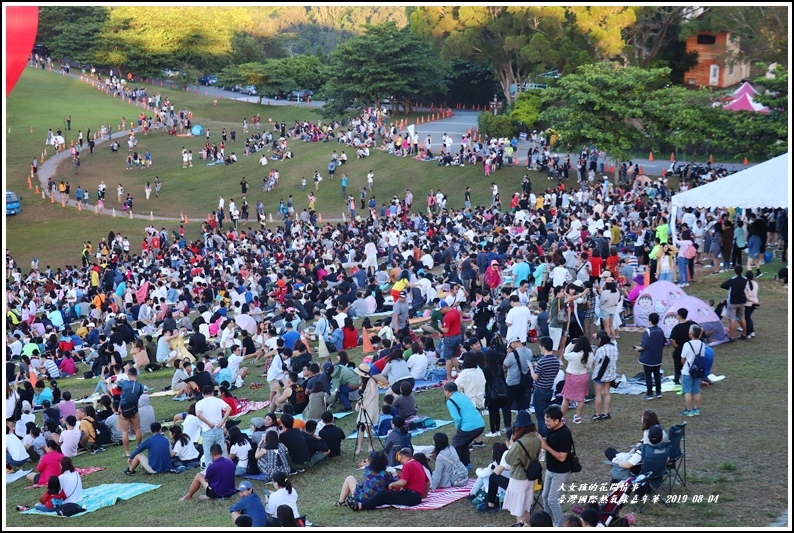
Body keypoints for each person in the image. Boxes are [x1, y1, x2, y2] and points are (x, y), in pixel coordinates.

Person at [496, 411, 542, 526]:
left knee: (519, 509)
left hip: (519, 477)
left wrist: (511, 447)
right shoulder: (536, 439)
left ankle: (521, 526)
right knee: (526, 506)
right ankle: (528, 525)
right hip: (530, 476)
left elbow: (509, 460)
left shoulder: (519, 444)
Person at [358, 448, 430, 510]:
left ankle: (362, 506)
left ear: (401, 457)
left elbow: (402, 482)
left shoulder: (407, 466)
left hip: (411, 496)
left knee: (382, 494)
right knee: (387, 497)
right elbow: (427, 483)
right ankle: (370, 504)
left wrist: (392, 484)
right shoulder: (418, 464)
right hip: (417, 498)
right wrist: (423, 496)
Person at [540, 405, 573, 528]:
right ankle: (546, 523)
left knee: (553, 500)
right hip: (550, 469)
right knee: (545, 496)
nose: (545, 423)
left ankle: (559, 526)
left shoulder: (565, 434)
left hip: (561, 472)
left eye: (548, 421)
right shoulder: (552, 429)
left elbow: (562, 457)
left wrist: (546, 446)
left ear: (557, 420)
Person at [443, 381, 485, 468]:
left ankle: (457, 467)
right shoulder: (463, 396)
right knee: (464, 443)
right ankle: (466, 464)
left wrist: (458, 427)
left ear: (448, 391)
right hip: (480, 424)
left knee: (456, 444)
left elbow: (457, 418)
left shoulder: (450, 401)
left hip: (469, 427)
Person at [529, 337, 560, 438]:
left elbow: (535, 377)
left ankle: (544, 437)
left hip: (539, 391)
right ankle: (549, 433)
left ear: (543, 347)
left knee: (541, 418)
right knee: (547, 415)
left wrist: (531, 368)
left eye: (540, 346)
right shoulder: (556, 361)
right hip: (549, 390)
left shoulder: (542, 362)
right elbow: (554, 375)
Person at [195, 384, 231, 468]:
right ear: (212, 393)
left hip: (207, 431)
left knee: (208, 455)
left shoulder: (199, 403)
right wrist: (222, 421)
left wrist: (208, 423)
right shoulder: (218, 400)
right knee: (222, 452)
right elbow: (229, 408)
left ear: (203, 394)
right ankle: (224, 470)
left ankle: (210, 473)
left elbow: (198, 414)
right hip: (218, 429)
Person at [560, 336, 594, 424]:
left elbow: (565, 354)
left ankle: (562, 417)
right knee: (581, 398)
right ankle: (578, 417)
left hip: (572, 376)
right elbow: (589, 367)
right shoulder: (590, 354)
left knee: (566, 397)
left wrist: (571, 344)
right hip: (583, 376)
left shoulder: (574, 355)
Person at [635, 312, 665, 400]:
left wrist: (637, 348)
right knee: (657, 375)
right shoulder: (660, 331)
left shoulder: (648, 332)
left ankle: (649, 393)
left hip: (648, 358)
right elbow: (663, 342)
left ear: (650, 321)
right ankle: (658, 392)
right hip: (658, 357)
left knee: (648, 376)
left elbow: (644, 346)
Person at [591, 331, 618, 421]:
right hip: (610, 374)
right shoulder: (614, 347)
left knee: (598, 395)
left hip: (600, 374)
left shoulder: (600, 350)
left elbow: (595, 361)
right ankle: (606, 413)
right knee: (607, 393)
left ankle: (597, 414)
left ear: (600, 339)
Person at [118, 367, 144, 458]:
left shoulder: (124, 383)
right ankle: (138, 448)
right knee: (137, 429)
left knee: (124, 431)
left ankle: (127, 452)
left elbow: (117, 382)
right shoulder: (140, 386)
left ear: (128, 375)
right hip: (134, 409)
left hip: (123, 409)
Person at [354, 363, 379, 456]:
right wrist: (358, 403)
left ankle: (370, 445)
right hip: (364, 405)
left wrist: (367, 404)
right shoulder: (362, 381)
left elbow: (373, 394)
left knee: (368, 427)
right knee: (361, 426)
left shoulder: (372, 381)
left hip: (370, 405)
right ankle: (359, 447)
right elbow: (362, 395)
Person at [680, 323, 705, 417]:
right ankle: (697, 409)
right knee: (697, 390)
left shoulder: (687, 344)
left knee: (687, 391)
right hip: (698, 370)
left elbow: (683, 358)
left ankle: (689, 410)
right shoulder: (702, 344)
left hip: (688, 370)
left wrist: (684, 365)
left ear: (691, 334)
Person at [668, 308, 696, 385]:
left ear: (679, 316)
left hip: (681, 349)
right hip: (692, 348)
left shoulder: (677, 328)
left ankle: (678, 378)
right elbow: (701, 329)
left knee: (678, 364)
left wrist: (675, 346)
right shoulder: (692, 324)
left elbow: (672, 339)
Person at [744, 271, 759, 339]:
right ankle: (752, 332)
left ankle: (748, 333)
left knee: (747, 318)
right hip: (755, 302)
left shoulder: (746, 284)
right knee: (749, 317)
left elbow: (746, 296)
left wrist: (751, 300)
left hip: (748, 303)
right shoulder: (756, 283)